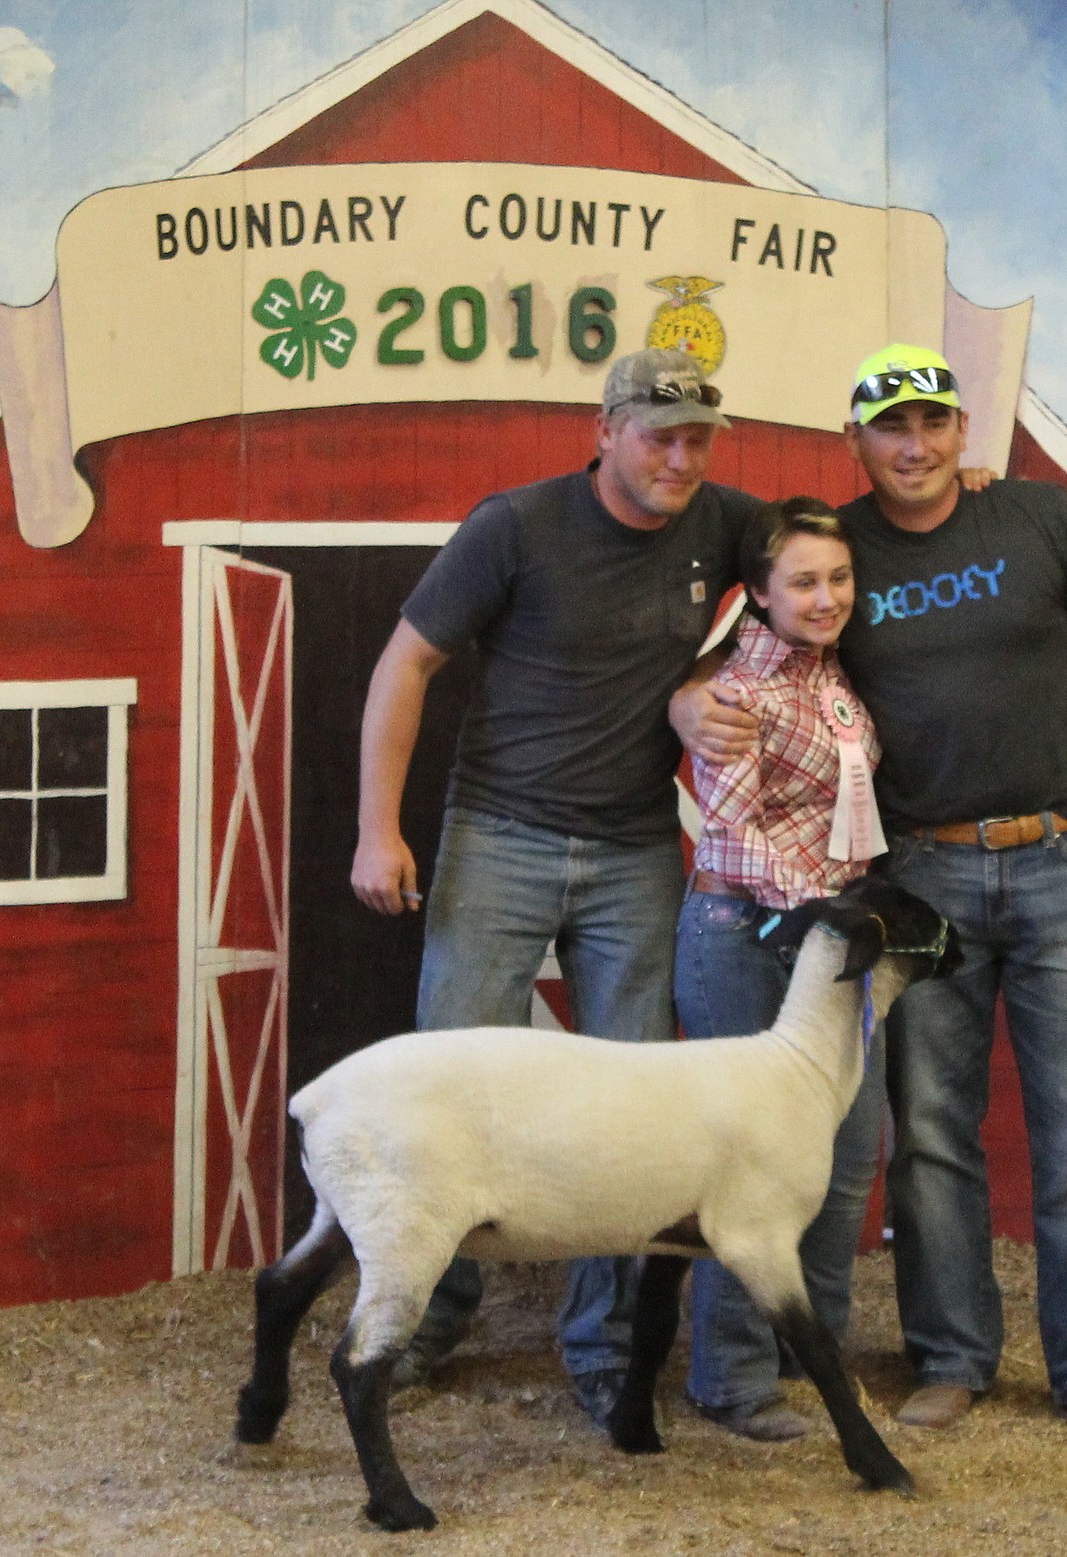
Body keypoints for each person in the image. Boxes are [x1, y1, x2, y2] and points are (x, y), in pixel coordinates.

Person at [675, 342, 1067, 1450]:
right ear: (858, 442)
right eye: (891, 425)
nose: (916, 443)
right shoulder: (835, 553)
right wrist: (681, 712)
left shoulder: (1039, 521)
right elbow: (719, 671)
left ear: (960, 432)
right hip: (921, 870)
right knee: (931, 1130)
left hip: (1063, 854)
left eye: (933, 421)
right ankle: (951, 1360)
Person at [350, 346, 767, 1427]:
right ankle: (422, 1324)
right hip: (499, 836)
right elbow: (406, 663)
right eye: (658, 435)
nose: (679, 458)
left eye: (696, 439)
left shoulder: (722, 522)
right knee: (446, 1094)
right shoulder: (518, 526)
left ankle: (604, 1345)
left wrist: (959, 504)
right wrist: (377, 831)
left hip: (635, 850)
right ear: (606, 429)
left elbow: (831, 556)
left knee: (627, 1116)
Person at [675, 496, 889, 1442]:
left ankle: (818, 1357)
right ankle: (732, 1376)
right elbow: (729, 832)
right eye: (803, 581)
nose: (826, 595)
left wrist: (838, 922)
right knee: (747, 1168)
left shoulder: (837, 680)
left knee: (844, 1156)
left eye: (838, 578)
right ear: (758, 594)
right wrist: (824, 914)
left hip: (830, 941)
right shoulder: (736, 693)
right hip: (744, 932)